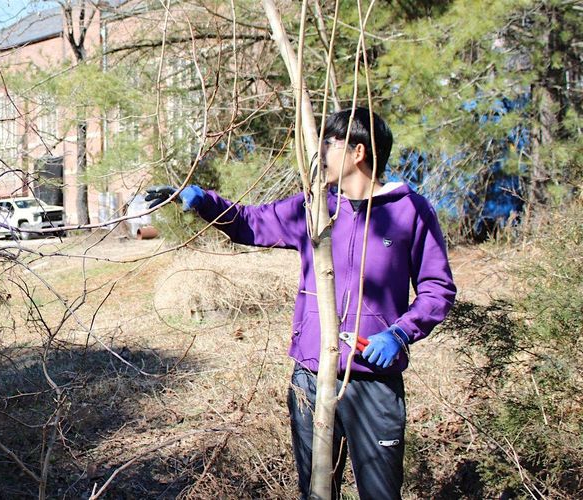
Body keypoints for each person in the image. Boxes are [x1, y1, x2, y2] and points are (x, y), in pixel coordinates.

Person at [148, 107, 456, 499]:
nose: (319, 152)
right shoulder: (314, 207)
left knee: (381, 494)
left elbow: (437, 288)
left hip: (374, 380)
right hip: (311, 376)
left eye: (329, 143)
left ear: (358, 152)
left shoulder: (410, 211)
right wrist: (200, 201)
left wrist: (399, 334)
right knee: (317, 492)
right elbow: (248, 223)